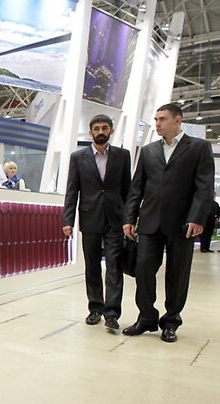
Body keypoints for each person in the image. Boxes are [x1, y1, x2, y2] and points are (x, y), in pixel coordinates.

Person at [122, 103, 214, 343]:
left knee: (178, 273)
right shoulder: (149, 151)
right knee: (143, 269)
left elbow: (204, 187)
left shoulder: (199, 148)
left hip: (183, 223)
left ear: (178, 120)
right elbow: (136, 188)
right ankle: (146, 317)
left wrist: (197, 217)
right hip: (150, 221)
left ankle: (171, 321)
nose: (157, 123)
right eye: (156, 119)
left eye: (162, 119)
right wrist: (129, 218)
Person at [62, 114, 131, 329]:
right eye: (96, 128)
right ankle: (95, 309)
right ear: (90, 132)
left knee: (114, 266)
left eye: (104, 128)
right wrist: (68, 220)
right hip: (89, 216)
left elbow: (127, 190)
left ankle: (112, 313)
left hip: (115, 218)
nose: (100, 132)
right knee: (92, 265)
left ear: (111, 130)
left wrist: (130, 218)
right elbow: (72, 190)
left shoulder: (123, 156)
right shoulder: (78, 157)